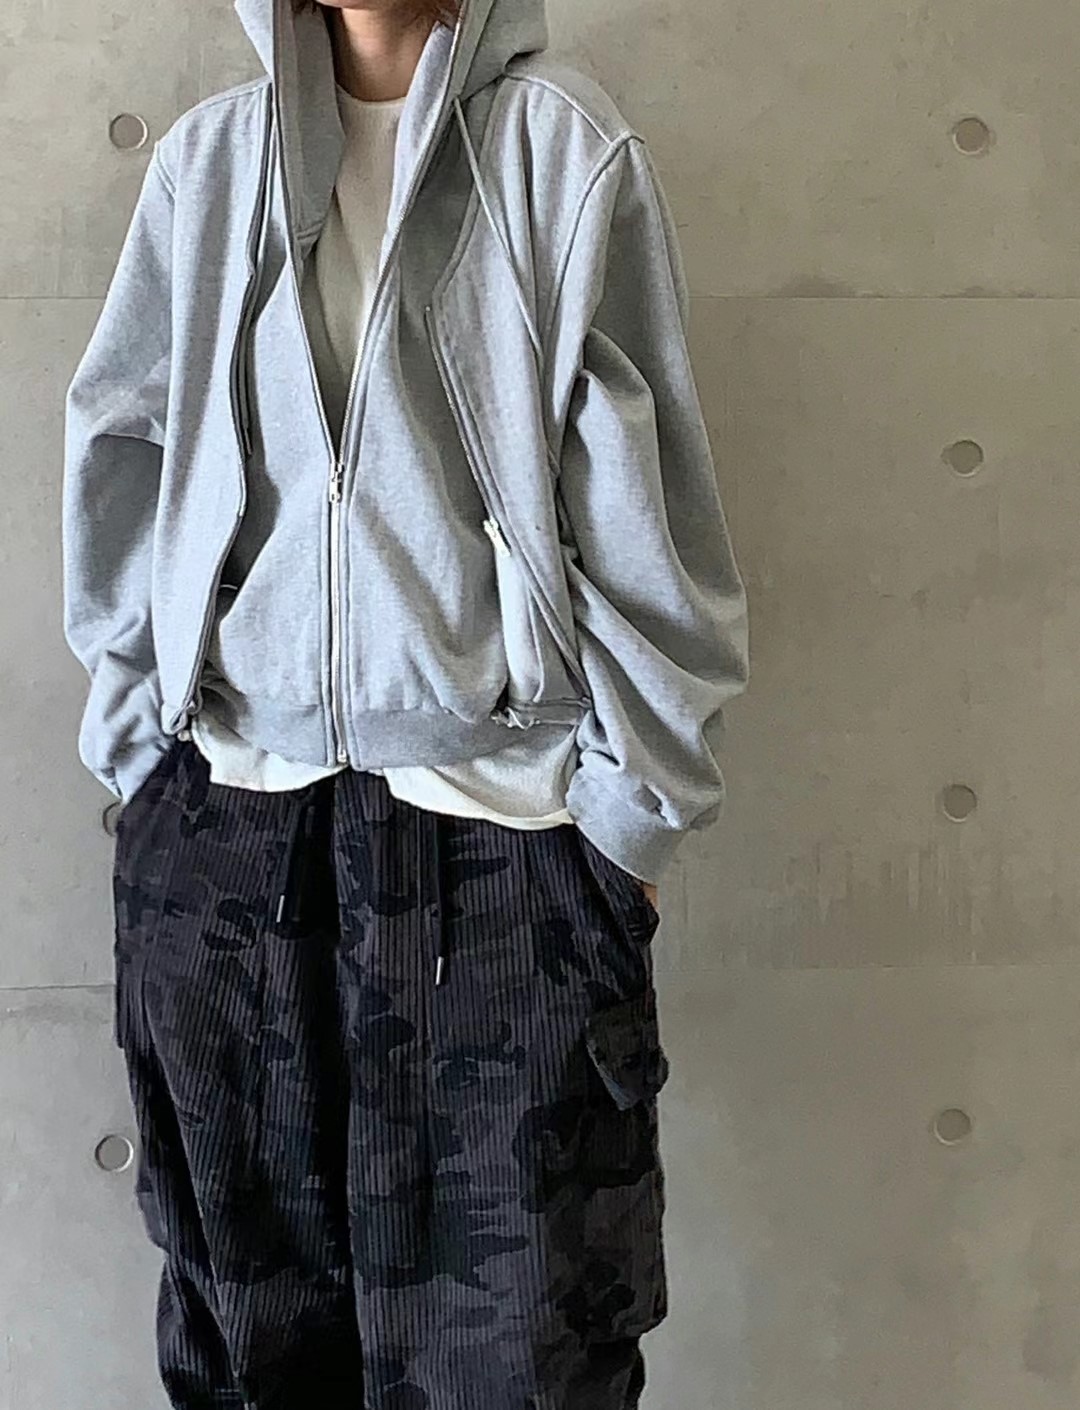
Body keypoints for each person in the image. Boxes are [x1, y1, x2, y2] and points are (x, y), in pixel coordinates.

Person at [61, 0, 749, 1404]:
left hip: (502, 847)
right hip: (230, 835)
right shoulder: (209, 164)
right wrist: (142, 762)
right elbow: (124, 448)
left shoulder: (566, 152)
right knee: (252, 1348)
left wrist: (631, 817)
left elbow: (648, 498)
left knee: (521, 1354)